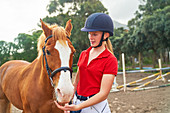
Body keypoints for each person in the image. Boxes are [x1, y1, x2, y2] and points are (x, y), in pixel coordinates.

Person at [55, 13, 118, 113]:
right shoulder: (84, 54)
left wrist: (79, 107)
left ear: (106, 35)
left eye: (94, 34)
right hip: (77, 103)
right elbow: (76, 83)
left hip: (96, 108)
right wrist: (69, 102)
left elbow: (103, 94)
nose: (90, 37)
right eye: (89, 34)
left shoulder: (110, 59)